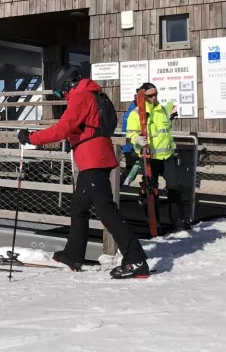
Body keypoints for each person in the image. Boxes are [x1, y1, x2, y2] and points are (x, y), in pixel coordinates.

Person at [18, 64, 150, 279]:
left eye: (60, 92)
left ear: (66, 85)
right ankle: (73, 255)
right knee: (79, 208)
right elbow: (91, 127)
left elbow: (62, 128)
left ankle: (136, 260)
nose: (62, 96)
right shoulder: (95, 94)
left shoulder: (80, 96)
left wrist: (31, 138)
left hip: (93, 160)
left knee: (107, 211)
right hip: (95, 157)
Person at [124, 82, 186, 230]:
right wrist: (136, 139)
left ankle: (177, 222)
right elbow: (130, 134)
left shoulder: (162, 110)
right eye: (150, 95)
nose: (153, 98)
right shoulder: (136, 113)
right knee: (150, 191)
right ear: (143, 97)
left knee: (175, 188)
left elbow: (165, 132)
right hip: (149, 157)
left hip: (166, 156)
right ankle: (153, 222)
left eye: (155, 94)